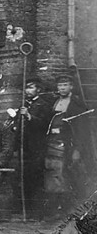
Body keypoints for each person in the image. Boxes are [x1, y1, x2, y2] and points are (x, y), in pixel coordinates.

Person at [42, 74, 90, 217]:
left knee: (67, 175)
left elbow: (82, 130)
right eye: (60, 85)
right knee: (53, 174)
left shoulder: (77, 104)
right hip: (53, 144)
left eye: (65, 85)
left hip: (69, 144)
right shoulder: (54, 102)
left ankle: (69, 209)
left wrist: (77, 149)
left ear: (71, 87)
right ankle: (54, 208)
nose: (62, 88)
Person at [17, 77, 55, 219]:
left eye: (31, 87)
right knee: (24, 177)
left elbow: (44, 124)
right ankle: (25, 209)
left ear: (38, 89)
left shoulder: (43, 105)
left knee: (36, 178)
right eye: (26, 87)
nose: (28, 90)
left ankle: (38, 211)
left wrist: (29, 116)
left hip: (37, 147)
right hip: (24, 147)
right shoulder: (23, 104)